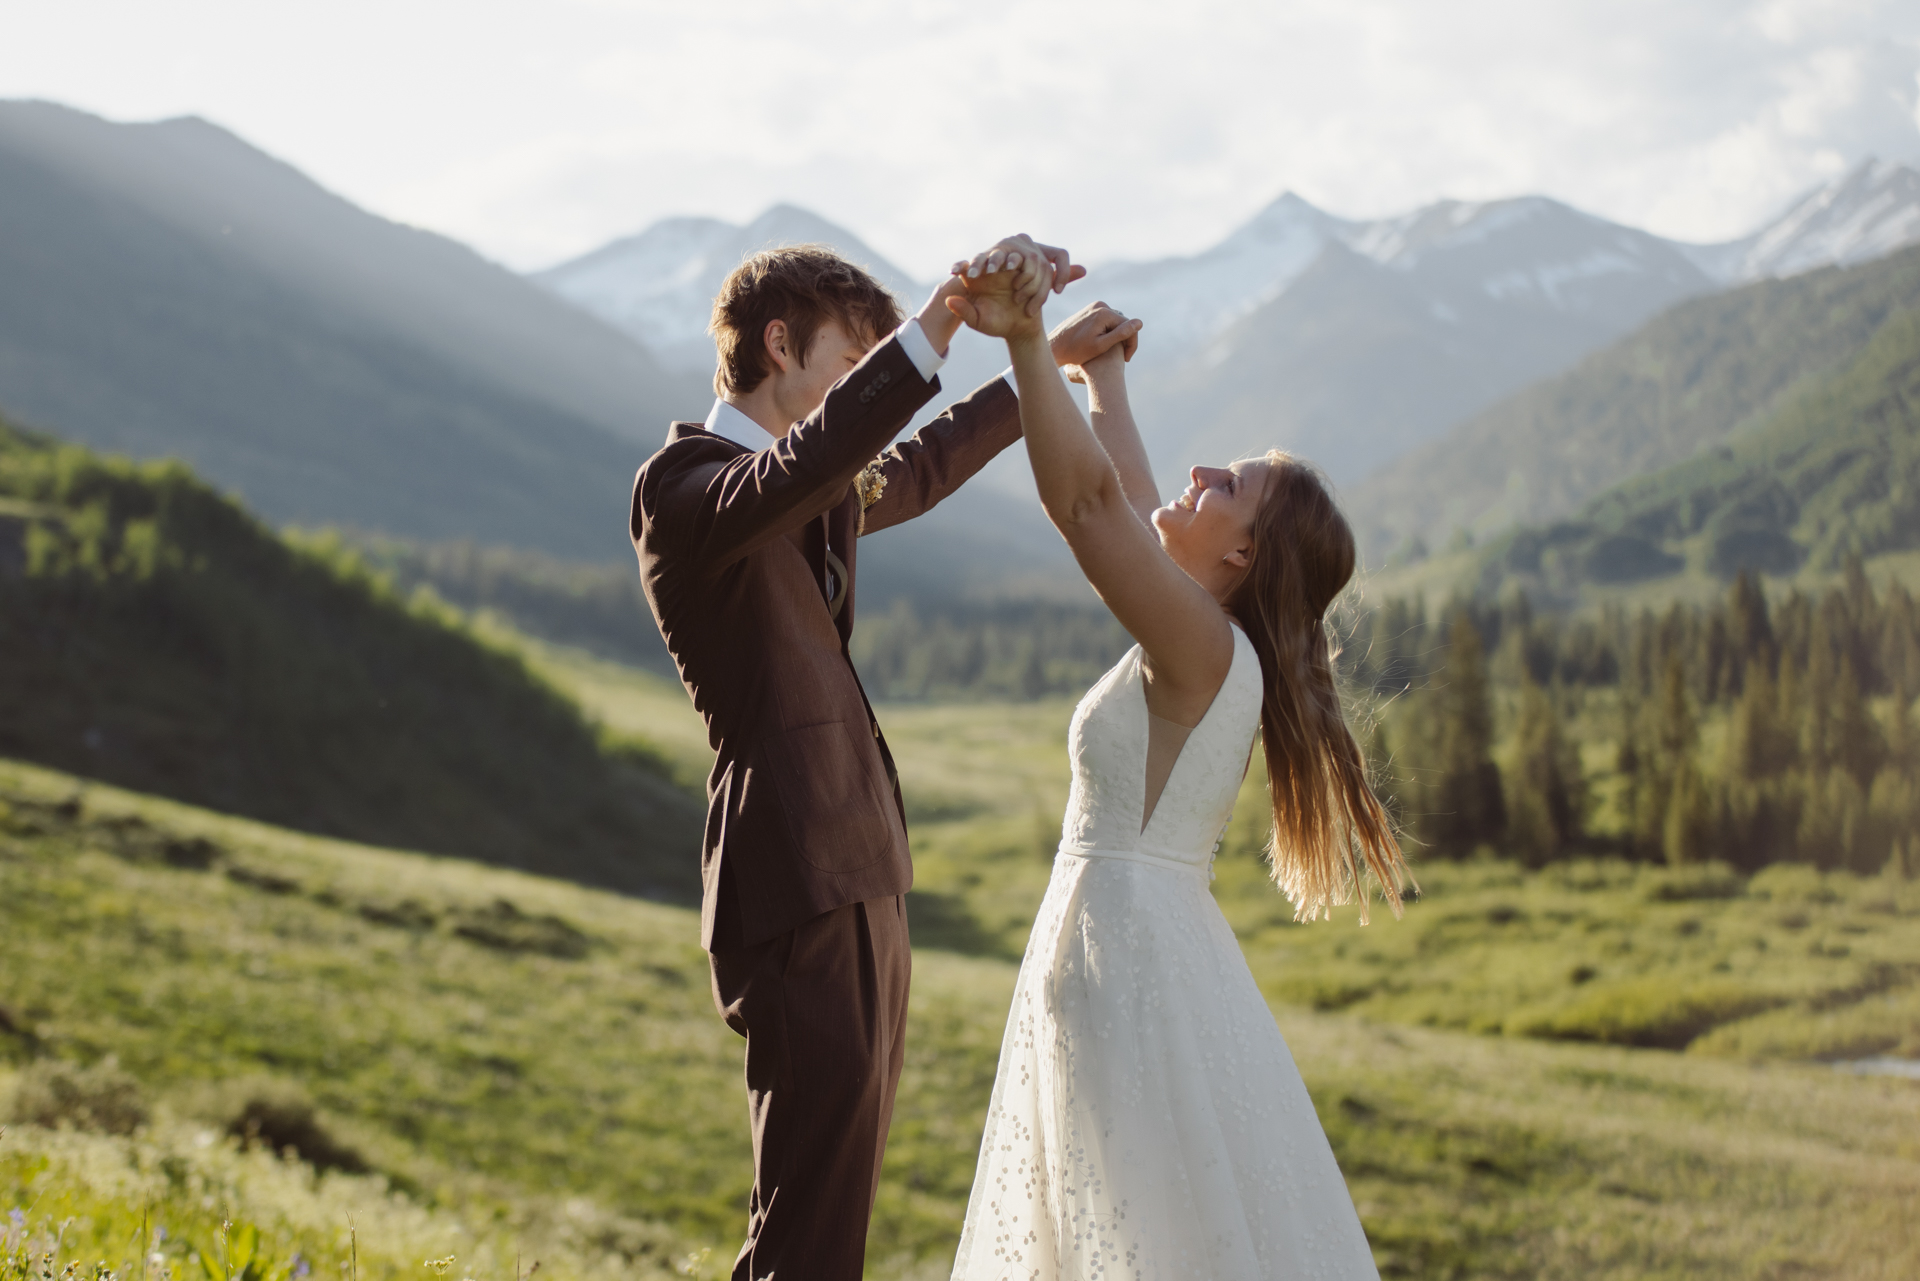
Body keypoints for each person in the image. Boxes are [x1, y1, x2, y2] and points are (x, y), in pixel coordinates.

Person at [628, 236, 1142, 1281]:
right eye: (855, 364)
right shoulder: (683, 484)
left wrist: (1046, 363)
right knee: (807, 1222)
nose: (869, 389)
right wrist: (944, 317)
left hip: (859, 862)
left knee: (837, 1202)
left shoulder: (801, 486)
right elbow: (818, 459)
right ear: (781, 346)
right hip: (792, 869)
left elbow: (919, 463)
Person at [942, 247, 1412, 1279]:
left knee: (1133, 1235)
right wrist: (1103, 373)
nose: (1200, 475)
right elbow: (1135, 492)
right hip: (1137, 954)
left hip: (1126, 967)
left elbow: (1094, 508)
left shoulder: (1203, 648)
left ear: (1242, 555)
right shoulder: (1206, 633)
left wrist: (1028, 343)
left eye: (1227, 485)